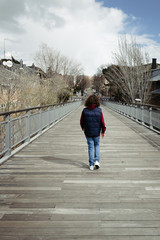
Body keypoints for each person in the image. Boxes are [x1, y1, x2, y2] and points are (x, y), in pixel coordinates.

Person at [80, 94, 106, 170]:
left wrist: (83, 127)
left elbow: (81, 121)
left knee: (90, 147)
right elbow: (102, 122)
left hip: (88, 132)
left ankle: (91, 164)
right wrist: (103, 131)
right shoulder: (99, 111)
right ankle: (97, 161)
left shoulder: (85, 111)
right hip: (96, 132)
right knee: (97, 145)